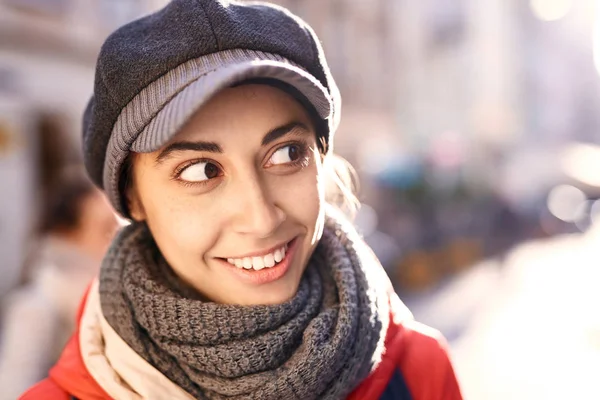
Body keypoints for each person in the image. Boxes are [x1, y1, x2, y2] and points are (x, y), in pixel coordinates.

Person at [21, 1, 463, 399]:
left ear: (321, 157)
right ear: (133, 199)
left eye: (287, 153)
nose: (260, 217)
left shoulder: (418, 369)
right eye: (200, 171)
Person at [0, 167, 117, 400]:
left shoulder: (110, 298)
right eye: (105, 231)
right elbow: (12, 391)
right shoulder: (36, 307)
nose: (115, 242)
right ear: (66, 236)